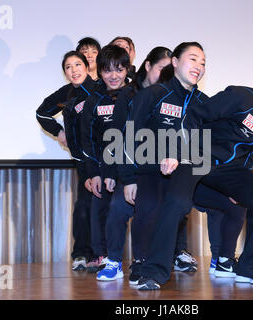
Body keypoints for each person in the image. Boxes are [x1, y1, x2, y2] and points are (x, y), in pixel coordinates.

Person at [137, 57, 253, 290]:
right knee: (177, 202)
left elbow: (250, 153)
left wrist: (237, 189)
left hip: (230, 169)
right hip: (198, 156)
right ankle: (154, 272)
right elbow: (194, 115)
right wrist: (176, 152)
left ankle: (252, 269)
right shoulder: (243, 97)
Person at [113, 41, 207, 286]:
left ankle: (170, 262)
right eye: (193, 59)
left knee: (176, 209)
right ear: (175, 62)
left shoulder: (202, 102)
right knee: (148, 211)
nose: (199, 66)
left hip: (183, 172)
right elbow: (129, 136)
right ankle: (142, 262)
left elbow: (203, 143)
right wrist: (129, 178)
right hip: (148, 170)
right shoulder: (152, 94)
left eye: (203, 62)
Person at [96, 46, 183, 282]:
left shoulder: (173, 95)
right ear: (147, 66)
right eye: (162, 69)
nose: (166, 74)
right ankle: (114, 261)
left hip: (160, 171)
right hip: (131, 168)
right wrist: (117, 174)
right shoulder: (128, 94)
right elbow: (118, 135)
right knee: (118, 209)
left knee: (170, 207)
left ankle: (158, 260)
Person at [35, 51, 98, 271]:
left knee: (106, 207)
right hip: (82, 161)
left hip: (105, 160)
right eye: (68, 67)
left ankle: (103, 255)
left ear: (88, 66)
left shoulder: (100, 89)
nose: (74, 70)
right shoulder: (67, 93)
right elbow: (42, 113)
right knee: (84, 206)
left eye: (78, 64)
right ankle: (82, 254)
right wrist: (60, 133)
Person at [80, 44, 131, 273]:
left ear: (127, 70)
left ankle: (144, 258)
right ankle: (104, 257)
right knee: (99, 210)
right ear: (100, 71)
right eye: (108, 70)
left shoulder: (137, 96)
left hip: (132, 165)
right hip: (103, 165)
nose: (114, 76)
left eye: (119, 70)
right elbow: (87, 140)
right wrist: (93, 173)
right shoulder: (94, 101)